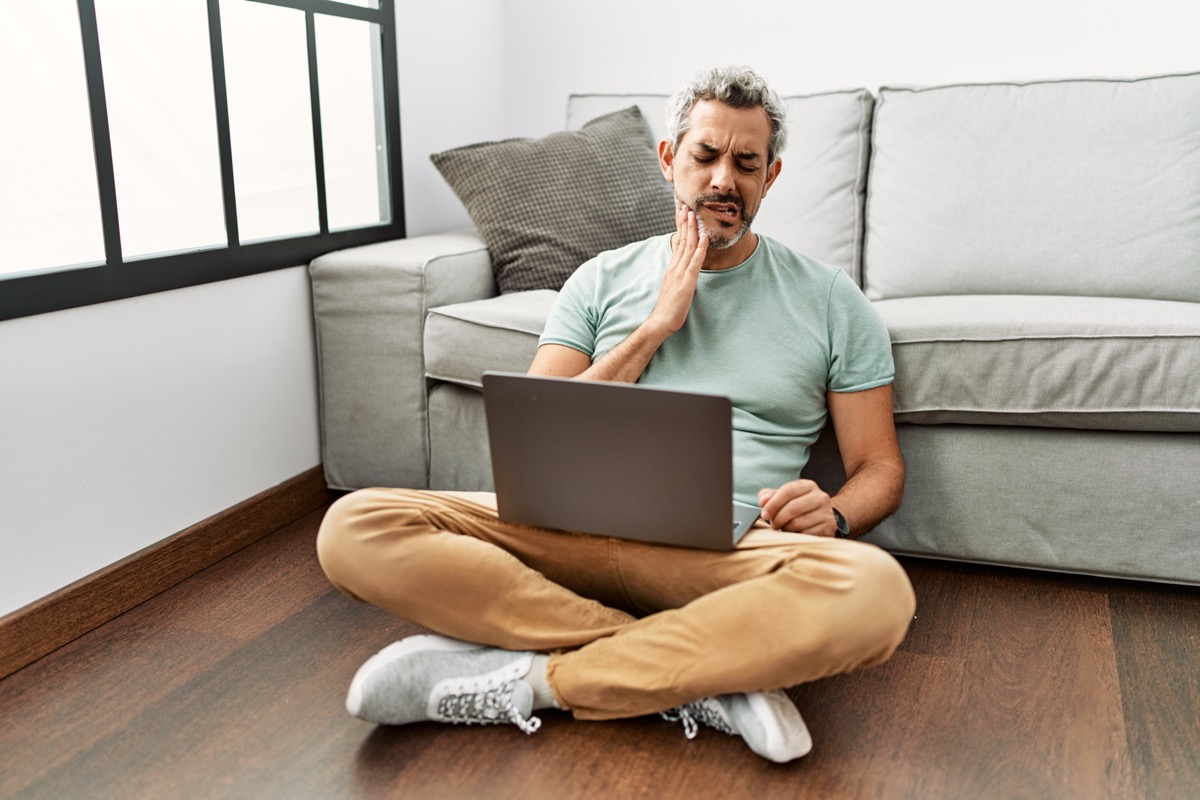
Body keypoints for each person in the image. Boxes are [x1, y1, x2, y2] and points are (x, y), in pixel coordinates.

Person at [316, 65, 916, 764]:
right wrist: (656, 326)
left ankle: (541, 680)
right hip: (567, 532)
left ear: (769, 178)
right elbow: (545, 433)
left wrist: (836, 515)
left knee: (875, 593)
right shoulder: (599, 279)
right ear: (669, 160)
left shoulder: (830, 299)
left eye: (746, 163)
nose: (724, 178)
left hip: (727, 545)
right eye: (705, 155)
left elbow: (879, 466)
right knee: (355, 525)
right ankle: (703, 669)